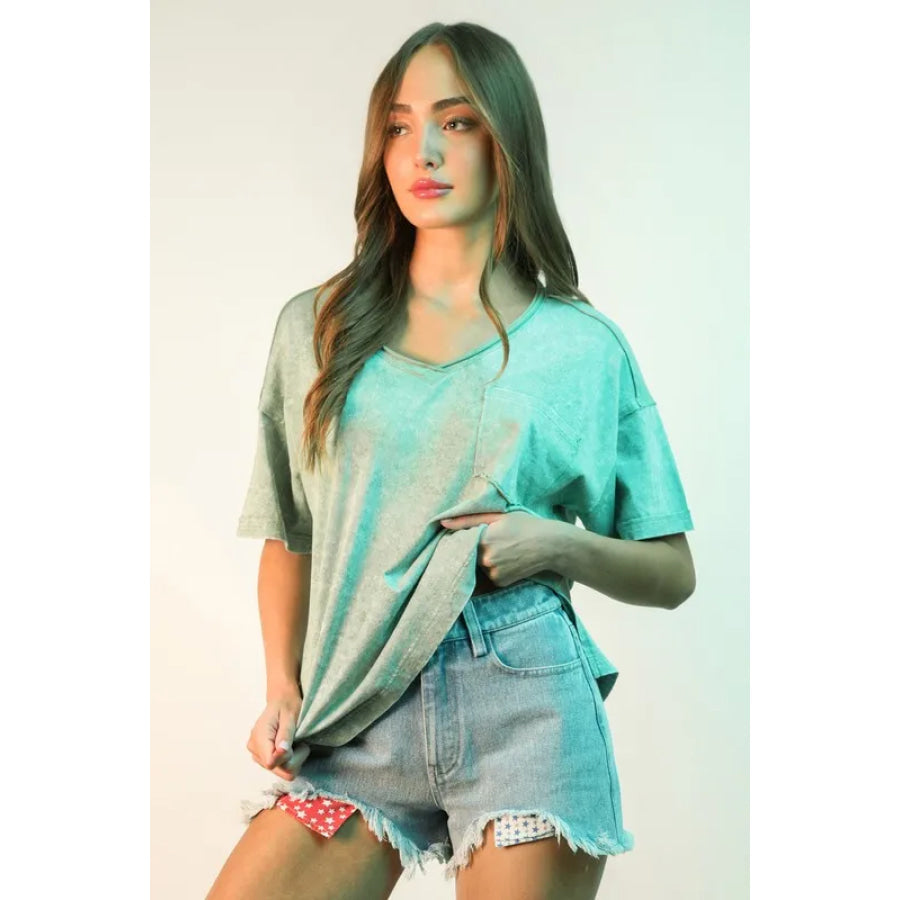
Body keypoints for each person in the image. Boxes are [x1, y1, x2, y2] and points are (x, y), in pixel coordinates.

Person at [206, 21, 696, 900]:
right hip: (357, 709)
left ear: (506, 141)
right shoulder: (317, 328)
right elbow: (289, 533)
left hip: (527, 704)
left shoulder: (582, 347)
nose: (422, 151)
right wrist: (282, 686)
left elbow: (671, 572)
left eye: (456, 121)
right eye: (398, 126)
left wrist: (556, 543)